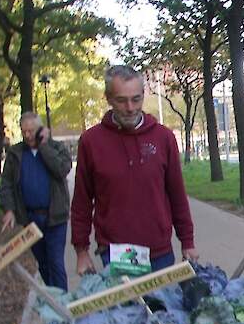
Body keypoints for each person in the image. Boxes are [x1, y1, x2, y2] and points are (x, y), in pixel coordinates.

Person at [71, 65, 198, 275]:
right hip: (118, 254)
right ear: (108, 98)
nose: (130, 107)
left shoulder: (163, 138)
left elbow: (177, 194)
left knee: (161, 307)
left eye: (136, 99)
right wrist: (81, 251)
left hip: (159, 252)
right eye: (121, 100)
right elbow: (81, 203)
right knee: (128, 309)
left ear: (143, 96)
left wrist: (187, 241)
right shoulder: (91, 142)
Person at [0, 112, 72, 291]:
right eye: (24, 132)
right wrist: (9, 210)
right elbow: (6, 184)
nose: (28, 136)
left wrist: (44, 146)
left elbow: (61, 170)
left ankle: (64, 303)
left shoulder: (57, 147)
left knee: (56, 263)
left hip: (55, 217)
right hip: (31, 218)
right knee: (43, 264)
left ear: (41, 129)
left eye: (32, 131)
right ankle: (52, 302)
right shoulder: (16, 153)